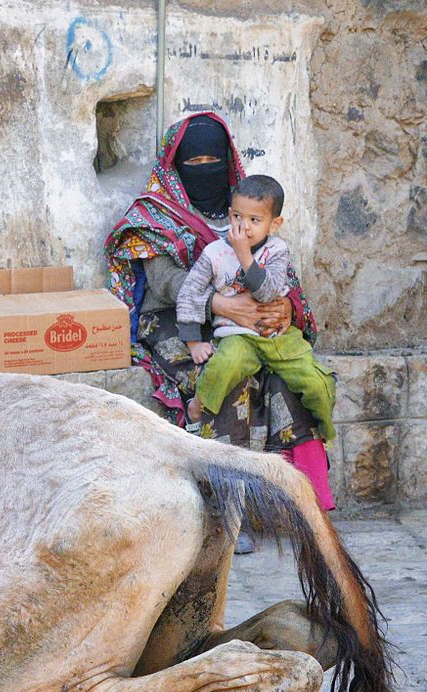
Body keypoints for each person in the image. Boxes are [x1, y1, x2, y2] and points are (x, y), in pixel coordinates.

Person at [104, 112, 334, 542]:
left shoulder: (248, 206)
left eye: (214, 159)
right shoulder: (156, 212)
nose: (205, 169)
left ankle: (297, 503)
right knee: (223, 379)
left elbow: (279, 270)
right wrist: (222, 305)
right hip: (177, 319)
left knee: (286, 379)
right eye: (195, 161)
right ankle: (227, 513)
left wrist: (281, 308)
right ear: (176, 164)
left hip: (246, 311)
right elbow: (165, 282)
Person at [177, 175, 336, 443]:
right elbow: (190, 292)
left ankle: (325, 433)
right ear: (229, 214)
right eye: (237, 216)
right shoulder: (214, 253)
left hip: (279, 338)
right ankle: (196, 409)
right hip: (238, 337)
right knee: (221, 368)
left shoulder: (277, 250)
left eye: (254, 220)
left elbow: (267, 291)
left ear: (274, 224)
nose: (244, 227)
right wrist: (193, 342)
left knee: (317, 383)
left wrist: (244, 256)